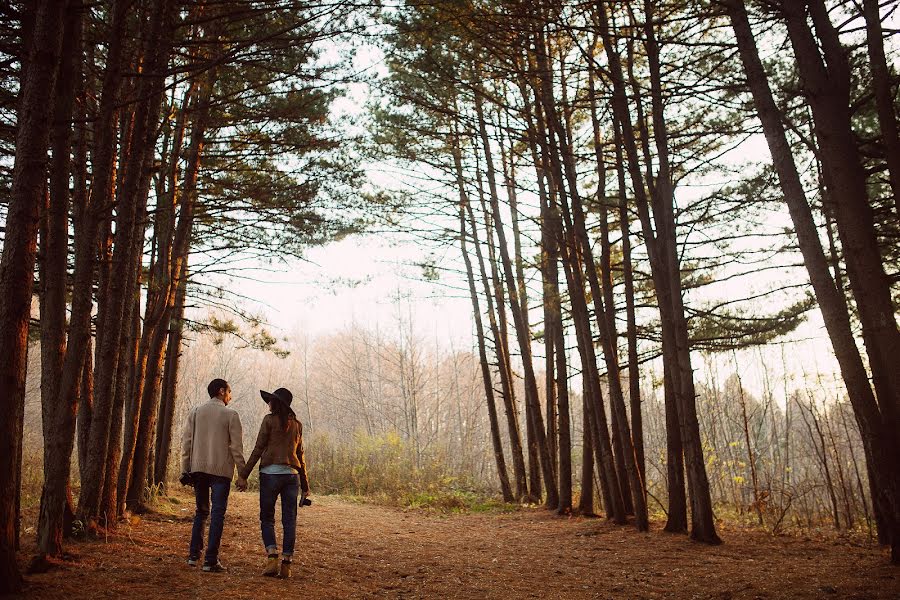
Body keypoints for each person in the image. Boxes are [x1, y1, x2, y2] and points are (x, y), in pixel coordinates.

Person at [237, 387, 310, 579]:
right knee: (289, 521)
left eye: (270, 400)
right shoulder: (297, 425)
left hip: (270, 474)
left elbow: (259, 448)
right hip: (292, 476)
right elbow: (300, 456)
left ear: (276, 403)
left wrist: (243, 475)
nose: (268, 403)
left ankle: (271, 558)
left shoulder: (269, 421)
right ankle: (286, 563)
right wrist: (306, 486)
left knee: (267, 518)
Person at [181, 378, 248, 572]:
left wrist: (185, 470)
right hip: (221, 472)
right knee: (217, 514)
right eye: (229, 391)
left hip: (198, 470)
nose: (230, 395)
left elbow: (187, 443)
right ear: (221, 391)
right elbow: (236, 448)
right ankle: (210, 561)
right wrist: (242, 474)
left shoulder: (196, 412)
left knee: (201, 512)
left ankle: (193, 556)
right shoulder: (231, 415)